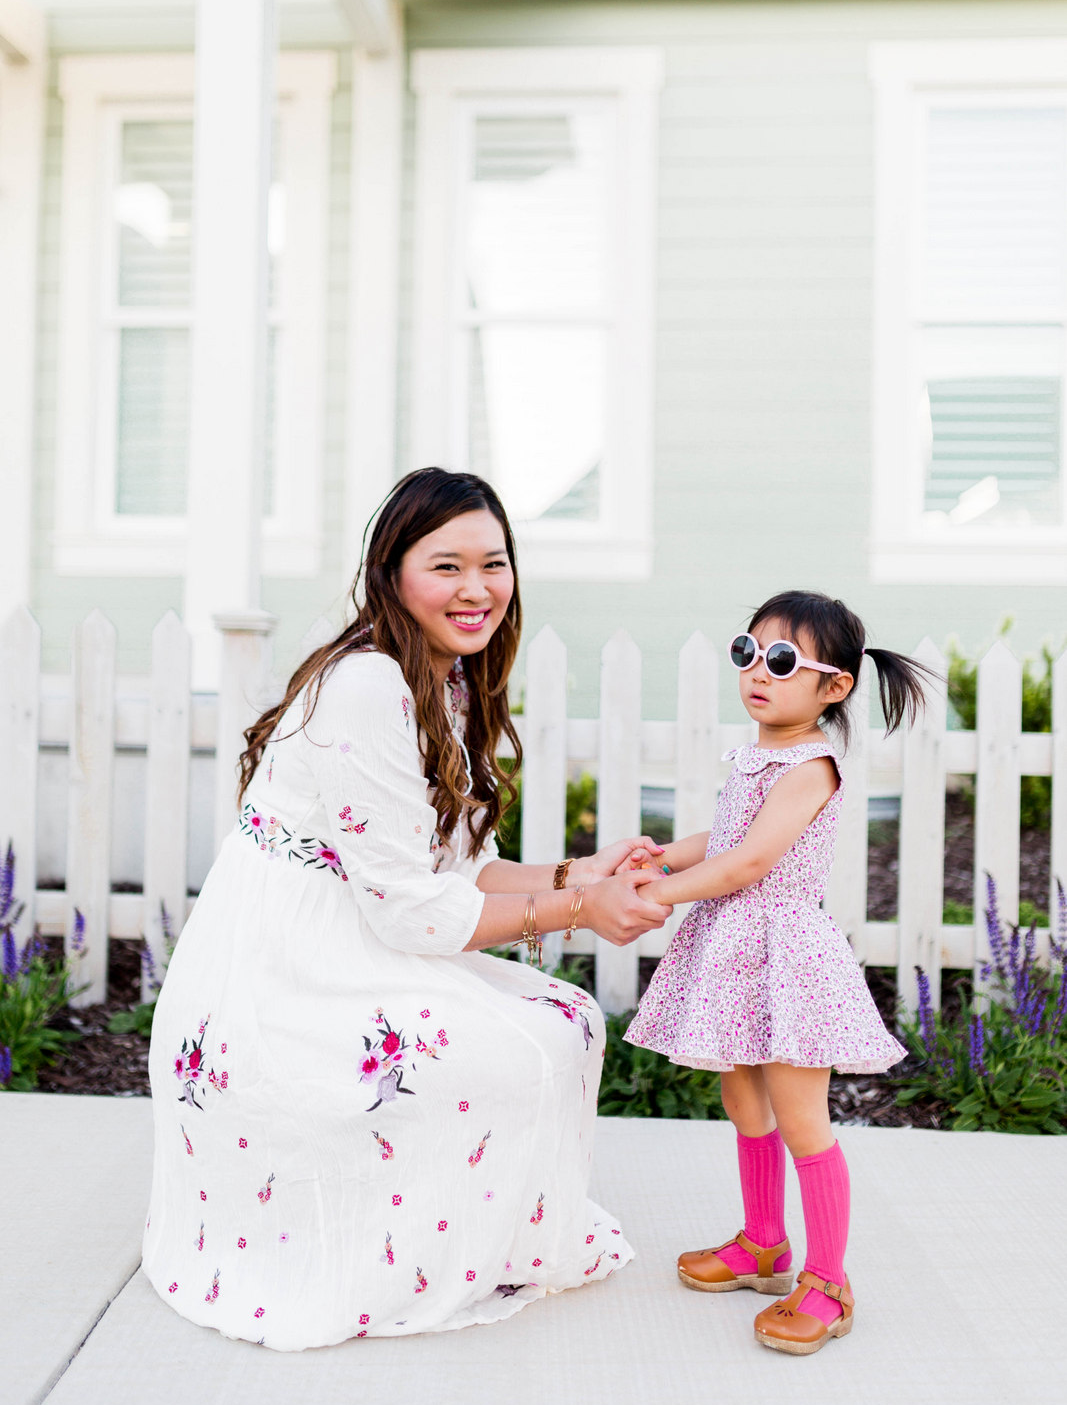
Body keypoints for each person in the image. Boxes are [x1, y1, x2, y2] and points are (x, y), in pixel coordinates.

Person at [142, 468, 668, 1350]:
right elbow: (411, 918)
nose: (476, 589)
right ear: (391, 572)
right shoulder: (364, 684)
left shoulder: (443, 678)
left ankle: (472, 1241)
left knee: (565, 1016)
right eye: (447, 566)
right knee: (507, 1048)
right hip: (284, 968)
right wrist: (579, 908)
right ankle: (391, 1255)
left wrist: (582, 869)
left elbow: (461, 870)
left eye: (493, 564)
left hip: (350, 935)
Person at [621, 591, 935, 1356]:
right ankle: (764, 1243)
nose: (759, 673)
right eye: (747, 653)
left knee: (801, 1117)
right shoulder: (758, 754)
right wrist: (663, 856)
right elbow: (727, 834)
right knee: (742, 1095)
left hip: (785, 959)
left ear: (834, 687)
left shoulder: (812, 765)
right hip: (738, 950)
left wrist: (660, 894)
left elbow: (754, 861)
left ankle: (828, 1280)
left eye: (783, 661)